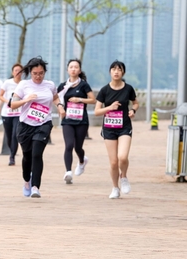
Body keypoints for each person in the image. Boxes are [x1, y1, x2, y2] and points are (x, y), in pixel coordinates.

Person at [10, 57, 65, 198]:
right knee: (27, 156)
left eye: (41, 73)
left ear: (45, 72)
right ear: (30, 72)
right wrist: (26, 100)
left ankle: (35, 187)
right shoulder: (23, 85)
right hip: (25, 125)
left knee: (37, 154)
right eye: (35, 73)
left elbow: (55, 97)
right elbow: (13, 104)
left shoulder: (50, 85)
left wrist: (60, 106)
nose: (38, 76)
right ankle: (27, 181)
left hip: (43, 124)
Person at [94, 60, 139, 199]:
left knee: (122, 157)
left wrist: (133, 110)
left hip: (124, 127)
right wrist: (109, 108)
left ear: (123, 72)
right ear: (110, 72)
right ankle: (115, 188)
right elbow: (96, 111)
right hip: (109, 128)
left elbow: (136, 103)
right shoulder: (104, 90)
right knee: (113, 162)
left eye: (119, 69)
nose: (116, 72)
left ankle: (123, 177)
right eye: (113, 69)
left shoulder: (128, 89)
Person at [57, 59, 96, 184]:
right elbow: (57, 100)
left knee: (78, 147)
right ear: (67, 69)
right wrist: (60, 108)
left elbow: (93, 100)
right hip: (68, 120)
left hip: (81, 120)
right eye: (71, 67)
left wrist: (80, 99)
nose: (73, 69)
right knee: (69, 145)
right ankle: (68, 172)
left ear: (79, 70)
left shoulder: (84, 85)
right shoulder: (62, 86)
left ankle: (82, 161)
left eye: (76, 67)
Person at [0, 63, 23, 166]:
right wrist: (8, 102)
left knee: (15, 135)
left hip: (19, 113)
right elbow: (0, 96)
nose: (18, 72)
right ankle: (11, 150)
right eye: (16, 70)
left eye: (20, 71)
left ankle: (12, 156)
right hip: (7, 113)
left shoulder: (24, 84)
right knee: (9, 136)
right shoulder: (7, 83)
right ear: (12, 72)